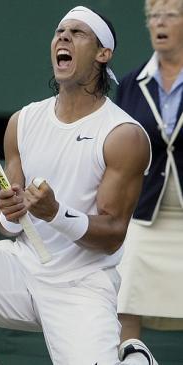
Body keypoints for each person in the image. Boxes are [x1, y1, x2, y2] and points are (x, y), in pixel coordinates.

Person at [0, 6, 157, 365]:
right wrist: (9, 214)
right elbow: (6, 215)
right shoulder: (22, 122)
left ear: (103, 54)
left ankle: (135, 358)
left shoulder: (123, 136)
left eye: (78, 32)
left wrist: (55, 213)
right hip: (21, 271)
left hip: (81, 286)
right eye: (60, 31)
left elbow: (113, 234)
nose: (63, 37)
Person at [116, 0, 183, 343]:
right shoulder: (130, 84)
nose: (160, 22)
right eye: (153, 16)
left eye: (170, 15)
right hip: (145, 213)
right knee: (125, 298)